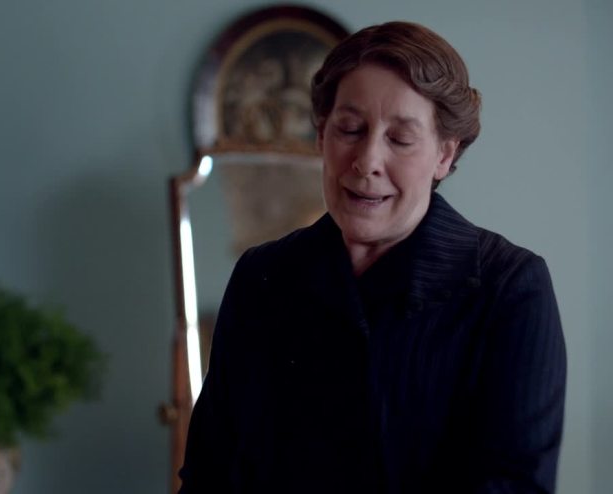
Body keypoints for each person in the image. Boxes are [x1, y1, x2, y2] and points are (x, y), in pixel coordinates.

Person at [178, 21, 566, 493]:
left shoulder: (510, 288)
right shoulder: (262, 276)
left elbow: (516, 486)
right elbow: (209, 473)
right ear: (321, 135)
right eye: (350, 129)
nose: (366, 162)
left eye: (399, 139)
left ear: (445, 155)